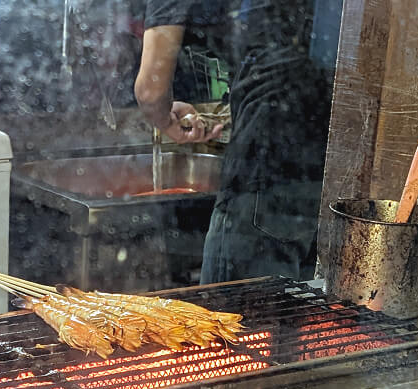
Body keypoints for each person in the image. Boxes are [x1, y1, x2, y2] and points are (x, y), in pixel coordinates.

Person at [135, 0, 334, 284]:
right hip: (332, 120)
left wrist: (165, 121)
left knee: (232, 305)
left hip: (274, 131)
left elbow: (150, 91)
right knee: (300, 299)